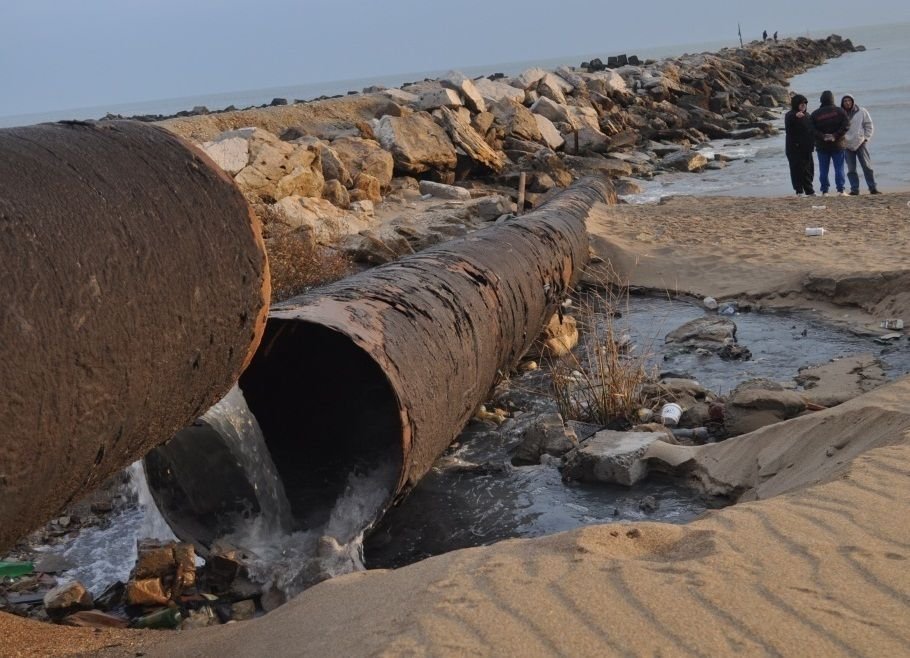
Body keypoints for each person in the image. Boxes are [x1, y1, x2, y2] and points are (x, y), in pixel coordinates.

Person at [810, 90, 850, 195]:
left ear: (821, 100)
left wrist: (823, 136)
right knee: (839, 168)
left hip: (822, 145)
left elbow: (811, 129)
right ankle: (841, 190)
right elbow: (846, 126)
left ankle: (824, 191)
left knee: (823, 169)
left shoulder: (815, 114)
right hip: (838, 144)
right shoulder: (840, 111)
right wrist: (835, 135)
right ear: (833, 99)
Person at [840, 94, 880, 195]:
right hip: (847, 145)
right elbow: (837, 128)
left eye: (849, 100)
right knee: (851, 169)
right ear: (842, 103)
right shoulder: (840, 114)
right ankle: (854, 189)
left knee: (867, 166)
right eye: (845, 101)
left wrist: (866, 138)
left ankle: (873, 188)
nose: (847, 102)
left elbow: (868, 125)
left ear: (853, 101)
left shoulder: (861, 111)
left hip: (861, 142)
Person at [785, 94, 815, 196]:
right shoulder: (790, 115)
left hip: (807, 148)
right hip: (794, 148)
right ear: (796, 104)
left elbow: (812, 130)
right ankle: (799, 191)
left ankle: (809, 191)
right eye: (801, 104)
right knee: (796, 169)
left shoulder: (808, 115)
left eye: (805, 103)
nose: (803, 105)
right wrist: (795, 116)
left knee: (809, 170)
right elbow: (788, 128)